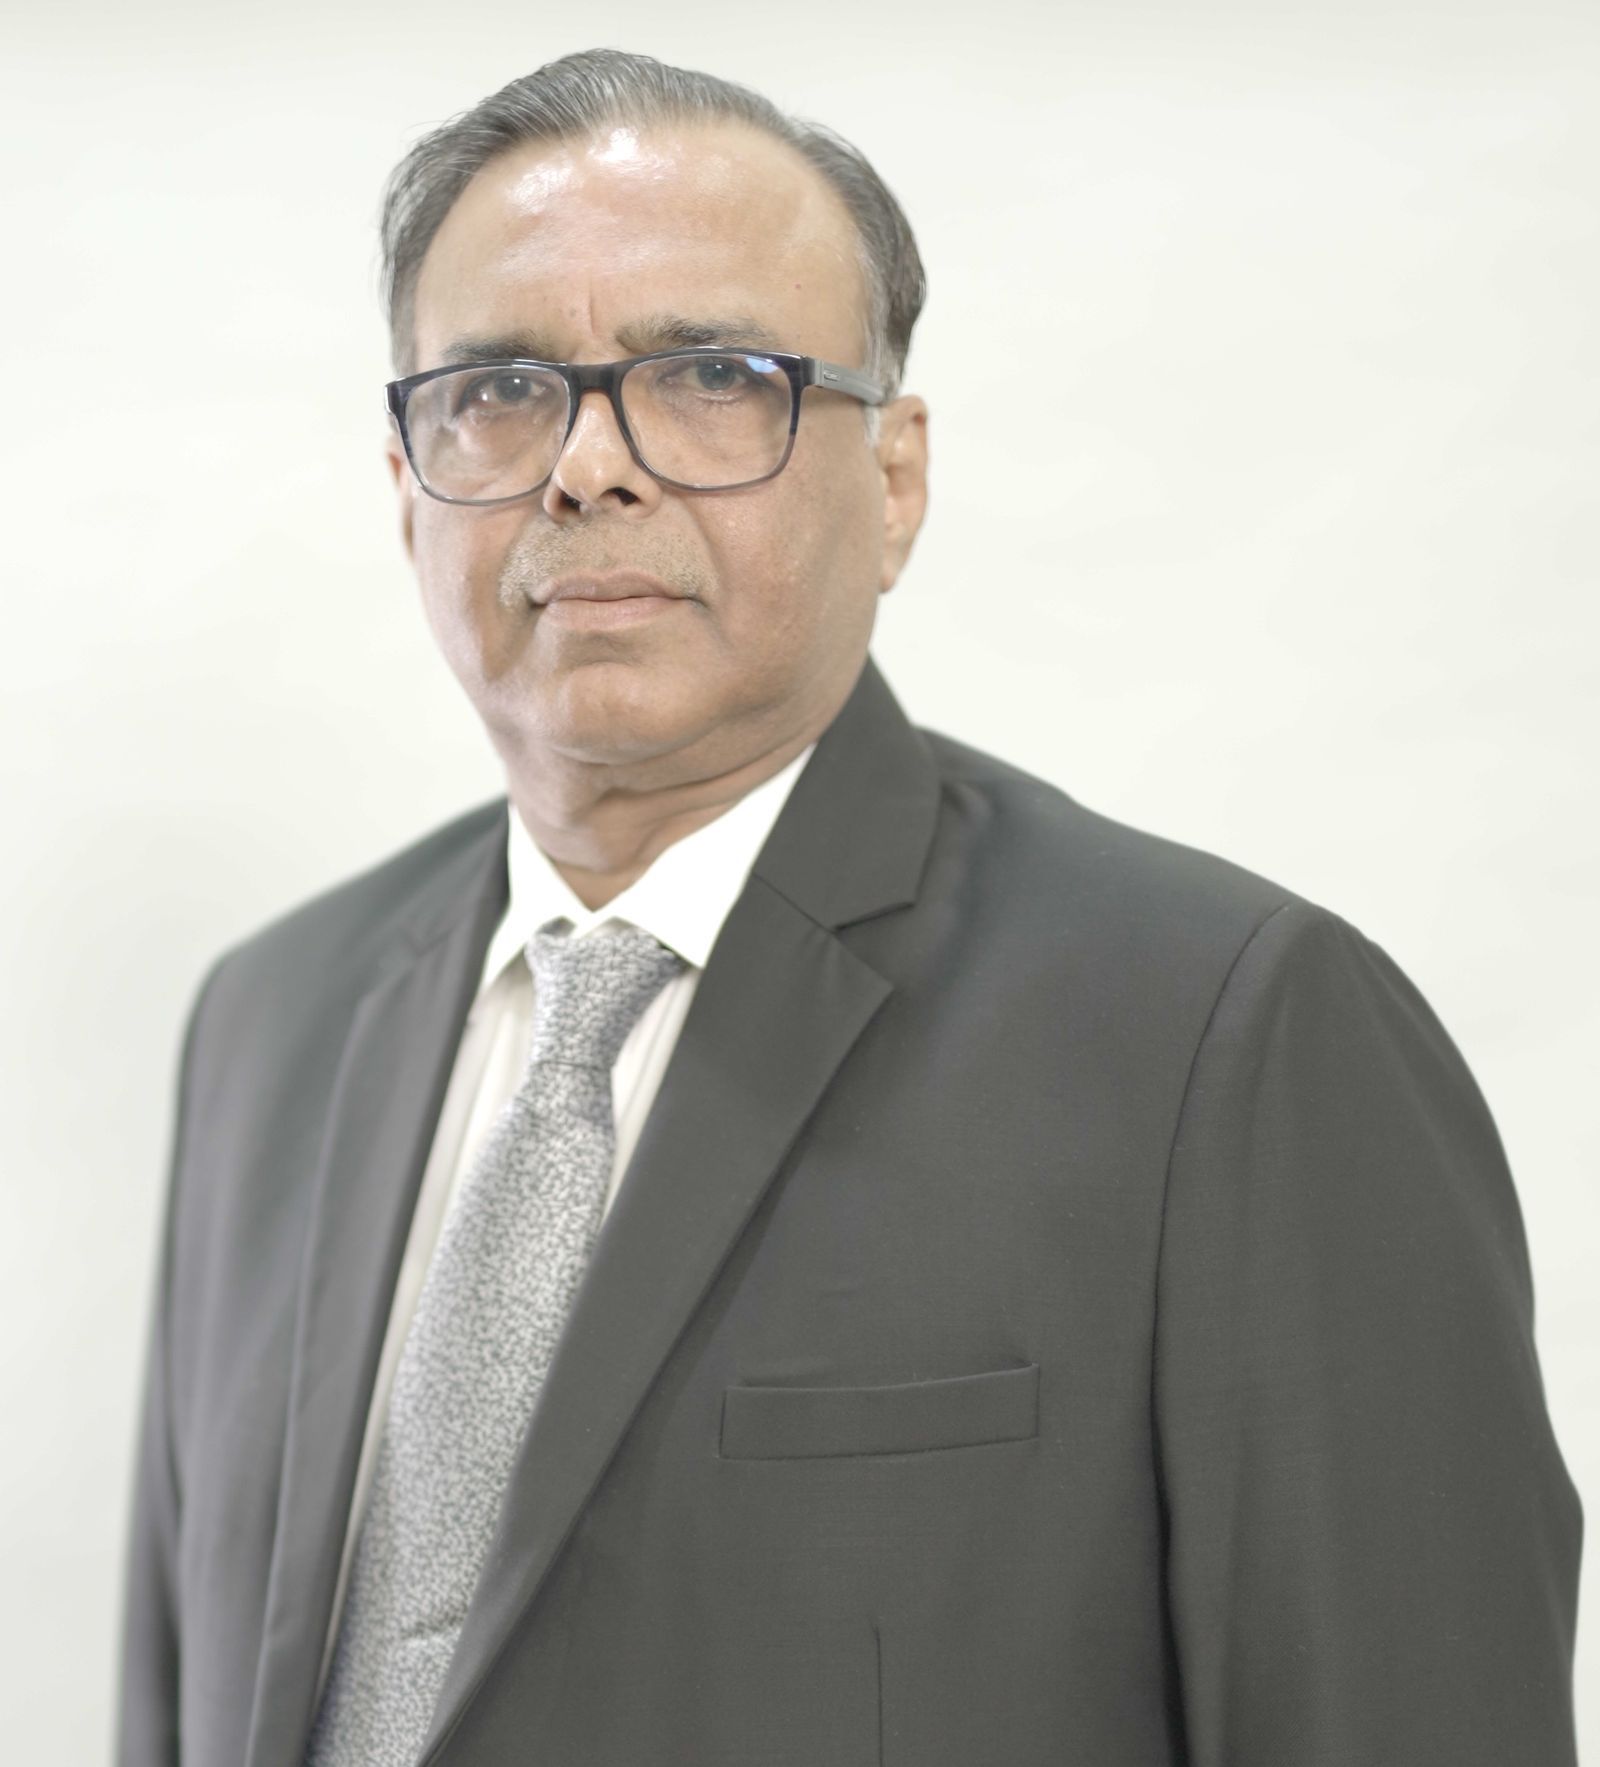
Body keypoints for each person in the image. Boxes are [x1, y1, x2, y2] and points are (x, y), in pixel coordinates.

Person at [114, 47, 1583, 1767]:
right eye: (500, 389)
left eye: (710, 375)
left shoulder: (1225, 1040)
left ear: (894, 481)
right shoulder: (272, 1024)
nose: (586, 467)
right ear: (407, 487)